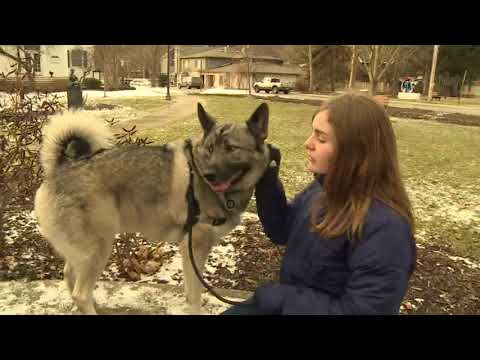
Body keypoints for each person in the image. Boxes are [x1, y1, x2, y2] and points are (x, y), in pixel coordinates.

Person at [221, 93, 416, 315]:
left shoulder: (385, 229)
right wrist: (267, 178)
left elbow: (362, 310)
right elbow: (282, 230)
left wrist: (283, 299)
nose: (308, 143)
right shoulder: (322, 190)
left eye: (321, 138)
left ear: (354, 151)